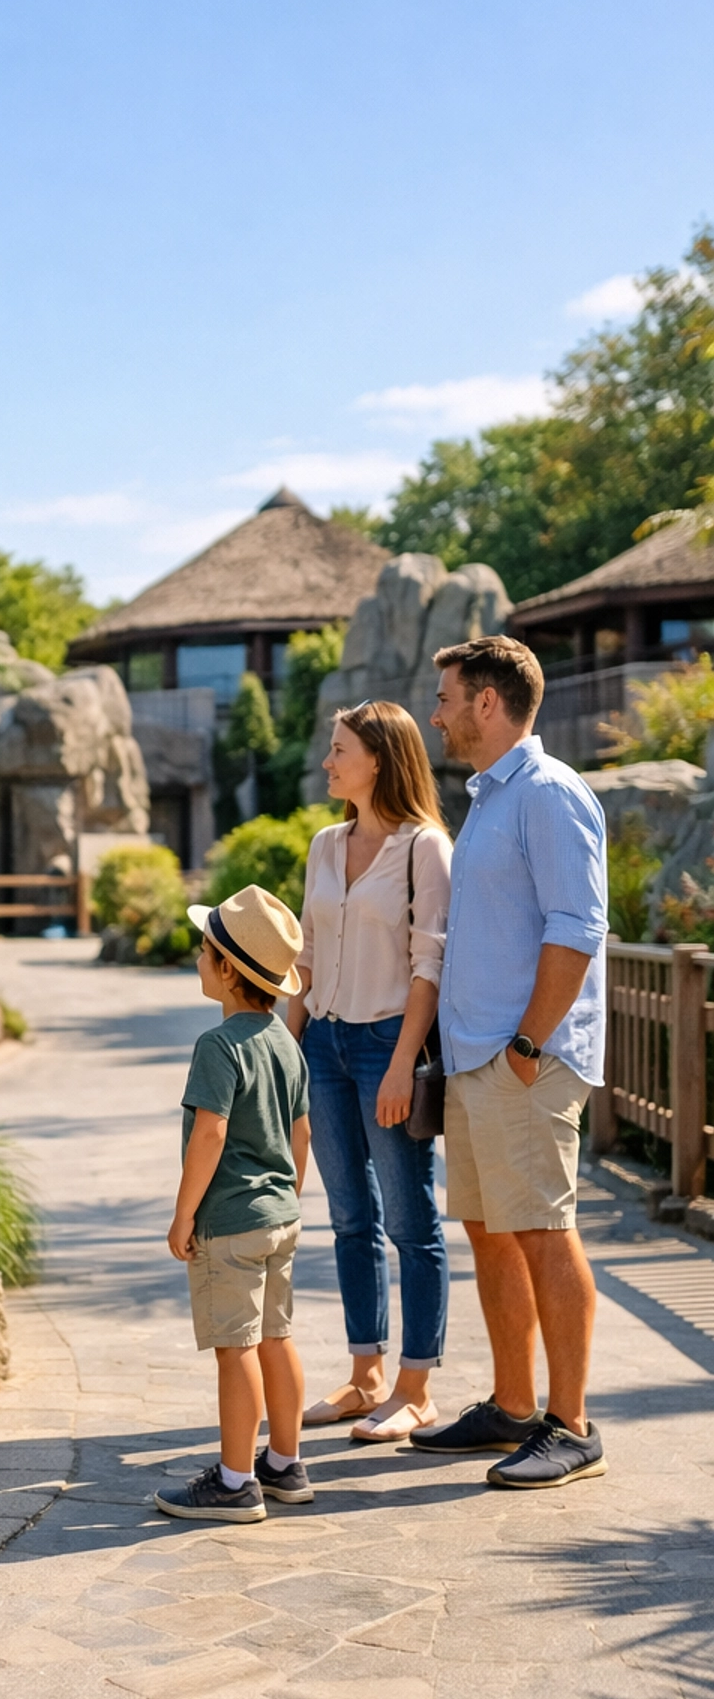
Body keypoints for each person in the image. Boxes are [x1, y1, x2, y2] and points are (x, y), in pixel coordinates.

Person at [410, 634, 610, 1488]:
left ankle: (573, 1427)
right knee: (492, 1233)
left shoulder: (550, 793)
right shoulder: (492, 797)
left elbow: (578, 928)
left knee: (542, 1231)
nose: (437, 715)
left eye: (447, 698)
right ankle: (515, 1407)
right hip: (479, 1059)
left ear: (487, 702)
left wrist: (528, 1044)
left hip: (524, 1059)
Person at [285, 702, 452, 1442]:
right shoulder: (325, 844)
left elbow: (429, 967)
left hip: (389, 1043)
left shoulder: (425, 848)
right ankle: (365, 1378)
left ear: (379, 759)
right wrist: (286, 1053)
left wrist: (402, 1064)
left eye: (340, 750)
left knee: (411, 1223)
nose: (328, 762)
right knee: (350, 1219)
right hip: (322, 1044)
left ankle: (416, 1389)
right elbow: (306, 955)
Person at [155, 884, 313, 1525]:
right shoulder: (285, 1043)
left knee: (236, 1348)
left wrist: (184, 1214)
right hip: (279, 1218)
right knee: (276, 1337)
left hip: (230, 1223)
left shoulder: (218, 1047)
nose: (198, 959)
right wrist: (287, 1196)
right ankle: (286, 1463)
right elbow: (301, 1133)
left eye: (203, 951)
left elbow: (210, 1134)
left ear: (226, 970)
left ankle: (235, 1481)